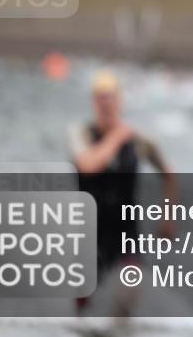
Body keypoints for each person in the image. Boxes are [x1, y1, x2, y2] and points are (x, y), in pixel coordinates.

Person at [69, 70, 177, 316]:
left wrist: (168, 218)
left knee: (128, 292)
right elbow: (88, 166)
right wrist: (117, 135)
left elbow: (169, 174)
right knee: (83, 302)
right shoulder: (81, 135)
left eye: (110, 97)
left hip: (126, 231)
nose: (106, 103)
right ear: (93, 102)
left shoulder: (138, 141)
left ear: (120, 100)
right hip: (88, 233)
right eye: (100, 98)